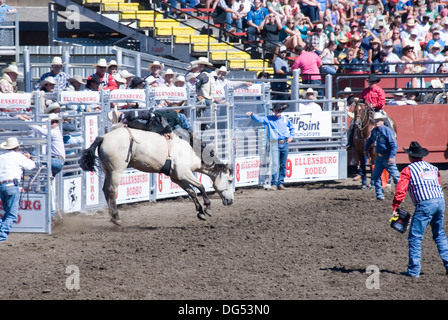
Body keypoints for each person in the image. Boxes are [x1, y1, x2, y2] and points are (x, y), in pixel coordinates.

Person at [391, 141, 448, 278]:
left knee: (415, 237)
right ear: (422, 156)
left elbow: (401, 189)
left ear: (410, 156)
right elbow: (438, 184)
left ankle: (414, 270)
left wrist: (395, 206)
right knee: (439, 233)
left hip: (425, 204)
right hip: (440, 201)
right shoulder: (433, 168)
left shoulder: (408, 170)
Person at [246, 103, 295, 191]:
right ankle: (275, 183)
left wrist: (291, 137)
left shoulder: (285, 119)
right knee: (276, 163)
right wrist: (253, 115)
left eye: (279, 111)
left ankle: (280, 183)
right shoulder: (269, 119)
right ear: (274, 111)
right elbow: (260, 119)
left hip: (284, 142)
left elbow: (292, 128)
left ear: (281, 111)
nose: (278, 112)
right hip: (275, 143)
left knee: (283, 164)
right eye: (276, 111)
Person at [0, 137, 36, 243]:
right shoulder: (18, 156)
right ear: (17, 147)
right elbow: (31, 166)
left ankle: (1, 231)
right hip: (12, 185)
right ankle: (2, 235)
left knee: (7, 212)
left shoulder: (2, 157)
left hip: (2, 185)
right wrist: (28, 158)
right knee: (12, 214)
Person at [364, 112, 400, 201]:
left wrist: (391, 156)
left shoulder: (387, 131)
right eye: (375, 120)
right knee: (376, 176)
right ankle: (379, 195)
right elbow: (370, 140)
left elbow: (394, 145)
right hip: (379, 157)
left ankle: (400, 195)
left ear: (382, 121)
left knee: (396, 177)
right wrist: (365, 148)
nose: (376, 122)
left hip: (387, 156)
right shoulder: (374, 131)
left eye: (378, 120)